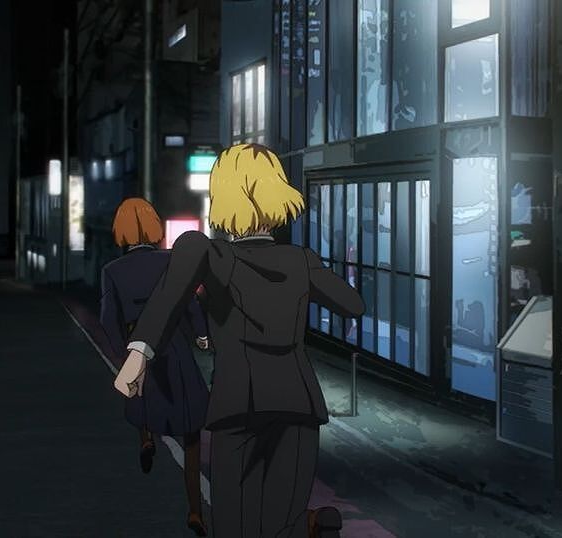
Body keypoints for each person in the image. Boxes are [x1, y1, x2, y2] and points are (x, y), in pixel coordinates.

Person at [114, 144, 364, 538]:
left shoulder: (209, 253)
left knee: (234, 525)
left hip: (239, 406)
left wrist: (139, 352)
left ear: (224, 195)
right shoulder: (301, 260)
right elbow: (353, 305)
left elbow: (170, 295)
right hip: (297, 404)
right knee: (284, 524)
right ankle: (314, 525)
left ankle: (313, 524)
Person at [99, 197, 211, 536]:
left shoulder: (112, 271)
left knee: (140, 394)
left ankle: (146, 439)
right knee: (191, 431)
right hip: (174, 345)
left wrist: (123, 351)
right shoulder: (170, 261)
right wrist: (201, 334)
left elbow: (108, 319)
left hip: (139, 344)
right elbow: (189, 302)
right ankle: (195, 511)